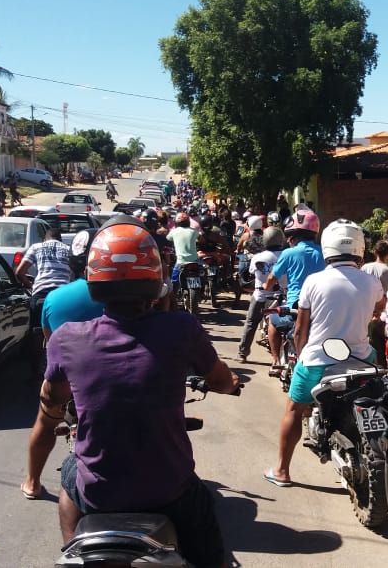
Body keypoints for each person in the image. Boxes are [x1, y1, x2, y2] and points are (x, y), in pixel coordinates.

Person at [38, 218, 240, 568]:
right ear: (155, 278)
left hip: (100, 496)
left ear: (94, 278)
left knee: (71, 471)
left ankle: (74, 550)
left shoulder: (66, 338)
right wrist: (231, 383)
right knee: (212, 550)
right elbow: (222, 381)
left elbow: (52, 397)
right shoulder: (182, 328)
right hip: (170, 490)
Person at [264, 219, 383, 487]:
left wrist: (302, 356)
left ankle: (282, 471)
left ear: (328, 246)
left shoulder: (313, 282)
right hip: (361, 359)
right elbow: (378, 313)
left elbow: (300, 331)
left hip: (318, 360)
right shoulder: (371, 281)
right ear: (360, 247)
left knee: (294, 408)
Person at [21, 227, 107, 501]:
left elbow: (52, 343)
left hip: (67, 384)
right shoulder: (130, 297)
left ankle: (32, 482)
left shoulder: (55, 298)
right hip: (116, 379)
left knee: (45, 423)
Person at [262, 207, 325, 376]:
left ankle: (275, 360)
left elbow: (271, 279)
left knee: (272, 321)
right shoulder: (324, 253)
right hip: (320, 310)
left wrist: (266, 288)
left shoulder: (289, 253)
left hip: (295, 310)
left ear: (293, 236)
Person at [237, 227, 286, 363]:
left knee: (251, 323)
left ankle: (242, 353)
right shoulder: (287, 255)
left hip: (261, 296)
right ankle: (276, 358)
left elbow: (252, 273)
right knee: (279, 326)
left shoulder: (258, 257)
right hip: (281, 297)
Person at [15, 227, 73, 330]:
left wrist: (30, 286)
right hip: (63, 294)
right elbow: (74, 275)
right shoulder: (68, 250)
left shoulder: (36, 247)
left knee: (35, 328)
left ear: (45, 239)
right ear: (60, 240)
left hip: (40, 293)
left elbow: (20, 272)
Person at [166, 211, 201, 292]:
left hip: (180, 262)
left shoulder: (174, 231)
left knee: (174, 281)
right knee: (202, 273)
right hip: (194, 260)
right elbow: (201, 240)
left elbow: (168, 239)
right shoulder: (193, 231)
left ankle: (174, 297)